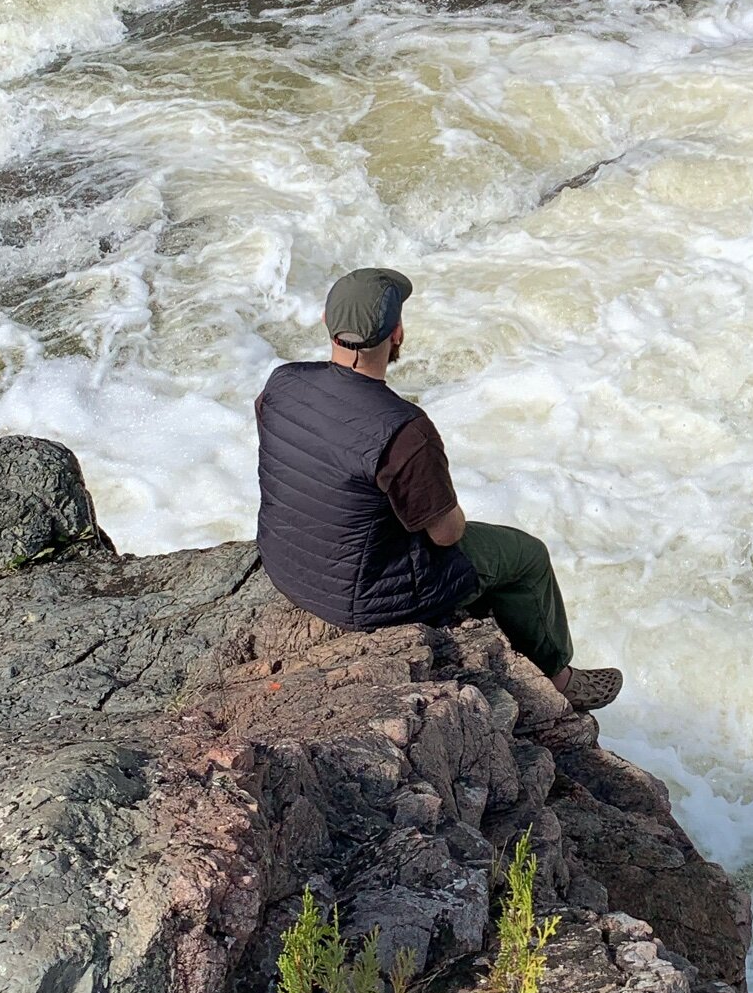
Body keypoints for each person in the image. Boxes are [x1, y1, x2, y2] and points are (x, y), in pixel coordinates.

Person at [254, 267, 623, 710]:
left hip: (284, 565)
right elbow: (446, 533)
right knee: (525, 557)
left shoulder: (282, 382)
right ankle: (560, 680)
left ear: (326, 322)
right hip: (362, 600)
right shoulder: (403, 429)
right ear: (397, 334)